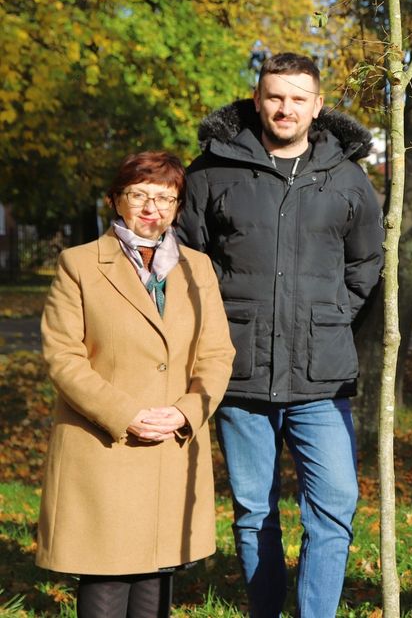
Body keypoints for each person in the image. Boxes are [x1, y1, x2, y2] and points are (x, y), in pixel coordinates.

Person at [177, 52, 383, 617]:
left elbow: (366, 264)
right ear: (257, 99)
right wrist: (221, 326)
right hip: (239, 371)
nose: (285, 108)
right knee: (252, 508)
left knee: (336, 504)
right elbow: (186, 262)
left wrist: (333, 316)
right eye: (275, 96)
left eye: (297, 98)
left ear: (317, 105)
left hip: (322, 375)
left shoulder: (346, 177)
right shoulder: (211, 171)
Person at [37, 151, 234, 618]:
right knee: (106, 576)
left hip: (172, 443)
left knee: (155, 577)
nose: (153, 208)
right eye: (139, 195)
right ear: (115, 200)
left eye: (166, 198)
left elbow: (217, 353)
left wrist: (186, 411)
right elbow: (63, 357)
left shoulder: (198, 268)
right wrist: (125, 415)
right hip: (103, 444)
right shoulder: (78, 264)